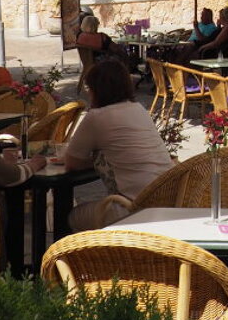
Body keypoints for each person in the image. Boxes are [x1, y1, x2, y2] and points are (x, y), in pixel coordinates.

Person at [62, 58, 173, 230]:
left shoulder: (97, 117)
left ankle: (74, 247)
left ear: (96, 90)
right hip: (167, 203)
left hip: (133, 208)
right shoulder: (139, 109)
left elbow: (71, 163)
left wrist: (96, 161)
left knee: (72, 216)